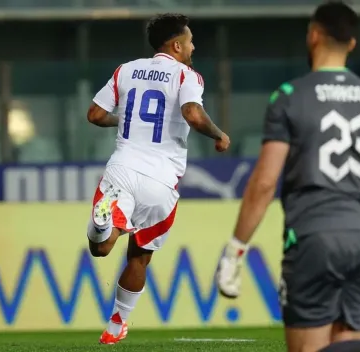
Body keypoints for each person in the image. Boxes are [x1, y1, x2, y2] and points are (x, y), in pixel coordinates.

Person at [216, 2, 360, 352]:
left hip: (312, 238)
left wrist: (236, 248)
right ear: (351, 44)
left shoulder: (289, 96)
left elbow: (265, 183)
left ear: (314, 35)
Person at [86, 13, 230, 344]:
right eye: (190, 41)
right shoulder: (187, 76)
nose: (193, 46)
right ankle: (115, 326)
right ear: (177, 45)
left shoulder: (127, 70)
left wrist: (122, 120)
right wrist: (219, 134)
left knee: (102, 248)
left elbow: (94, 114)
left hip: (122, 168)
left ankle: (101, 223)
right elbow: (193, 114)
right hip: (161, 181)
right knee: (140, 255)